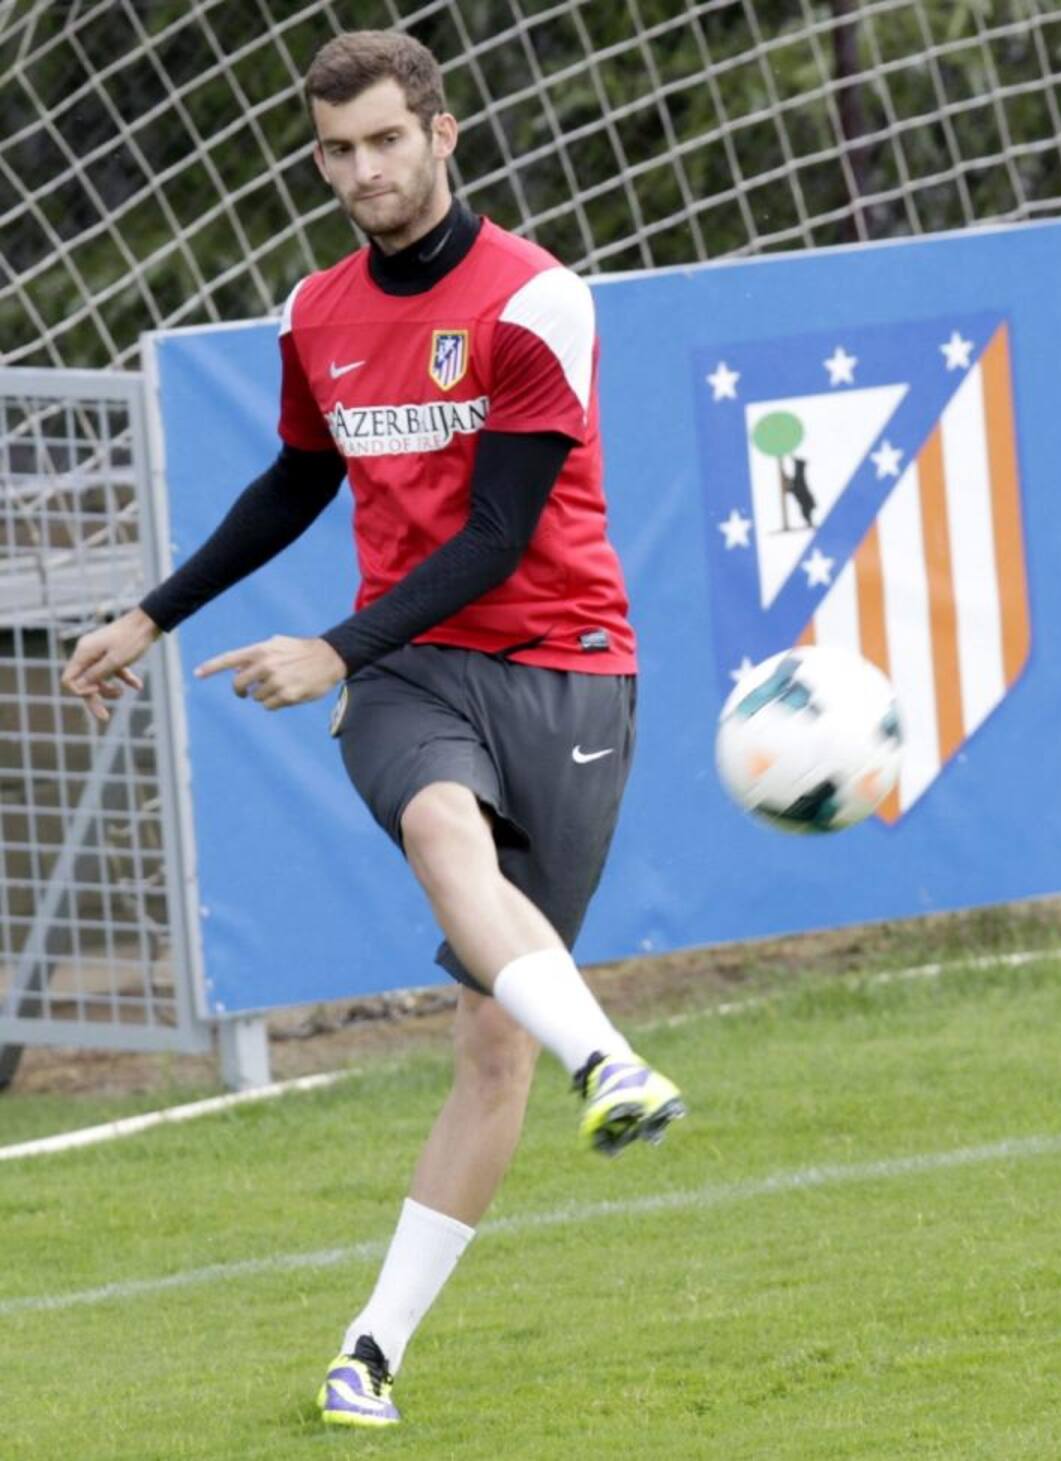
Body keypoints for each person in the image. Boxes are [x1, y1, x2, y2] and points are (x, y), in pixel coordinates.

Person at [60, 29, 685, 1431]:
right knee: (438, 824)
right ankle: (608, 1060)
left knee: (491, 1045)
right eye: (336, 150)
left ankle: (373, 1339)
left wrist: (328, 646)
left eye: (386, 140)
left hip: (566, 666)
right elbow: (298, 480)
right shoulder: (315, 313)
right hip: (407, 668)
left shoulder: (536, 299)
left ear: (442, 133)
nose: (362, 172)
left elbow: (501, 532)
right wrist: (150, 616)